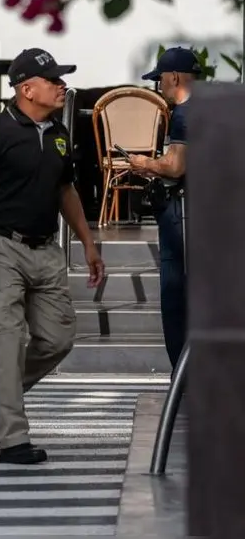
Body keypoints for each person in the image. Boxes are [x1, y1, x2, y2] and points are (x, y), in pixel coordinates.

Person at [0, 48, 106, 464]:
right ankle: (13, 440)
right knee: (7, 340)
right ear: (26, 88)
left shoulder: (58, 133)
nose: (62, 86)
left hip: (46, 251)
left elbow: (66, 191)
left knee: (58, 339)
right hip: (0, 247)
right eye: (53, 80)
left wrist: (88, 242)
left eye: (60, 79)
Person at [128, 46, 197, 369]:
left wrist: (145, 163)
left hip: (180, 215)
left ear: (173, 77)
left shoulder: (184, 114)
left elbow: (175, 166)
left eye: (160, 80)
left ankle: (180, 376)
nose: (158, 86)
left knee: (174, 296)